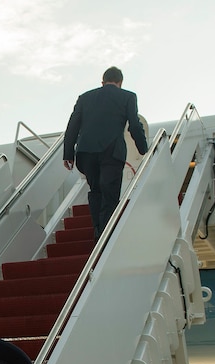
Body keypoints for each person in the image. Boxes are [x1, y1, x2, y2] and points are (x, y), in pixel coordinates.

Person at [62, 66, 149, 242]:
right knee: (110, 191)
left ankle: (97, 229)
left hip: (86, 152)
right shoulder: (128, 96)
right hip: (112, 151)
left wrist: (68, 153)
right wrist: (144, 150)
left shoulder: (85, 97)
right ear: (120, 82)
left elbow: (72, 125)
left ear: (102, 82)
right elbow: (134, 124)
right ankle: (106, 234)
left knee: (96, 190)